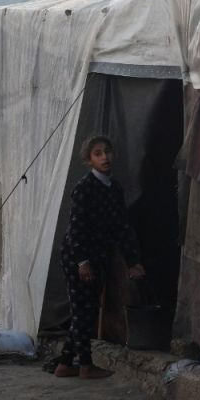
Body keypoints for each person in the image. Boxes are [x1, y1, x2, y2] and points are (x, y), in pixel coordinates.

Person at [56, 135, 145, 380]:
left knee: (89, 309)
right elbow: (76, 229)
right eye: (97, 153)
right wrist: (82, 261)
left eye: (107, 151)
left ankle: (65, 363)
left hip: (100, 256)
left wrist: (132, 260)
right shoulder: (84, 189)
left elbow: (121, 227)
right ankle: (85, 365)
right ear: (88, 160)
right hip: (78, 256)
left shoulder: (114, 189)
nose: (104, 157)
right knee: (83, 311)